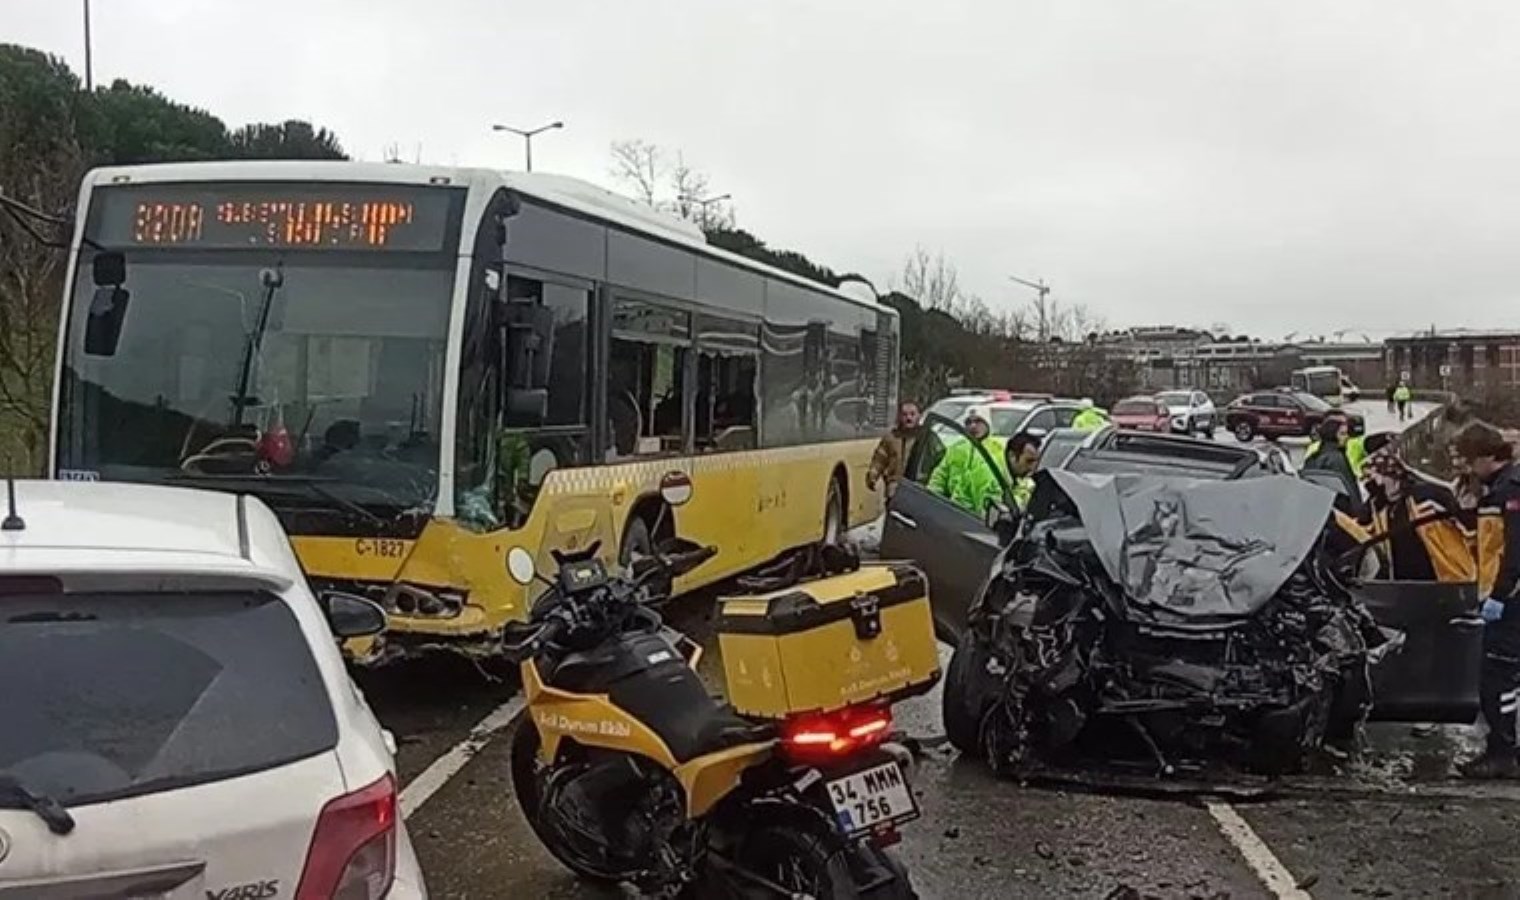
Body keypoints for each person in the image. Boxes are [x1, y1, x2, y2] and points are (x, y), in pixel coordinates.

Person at [1453, 422, 1520, 778]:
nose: (1467, 467)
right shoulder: (1499, 489)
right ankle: (1506, 748)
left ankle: (1503, 753)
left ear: (1487, 457)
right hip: (1506, 597)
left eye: (1469, 459)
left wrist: (1500, 595)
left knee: (1498, 679)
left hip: (1510, 600)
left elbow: (1513, 551)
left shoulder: (1509, 491)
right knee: (1505, 677)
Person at [1362, 452, 1475, 583]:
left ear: (1392, 475)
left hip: (1442, 579)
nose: (1373, 483)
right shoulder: (1380, 510)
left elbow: (1464, 525)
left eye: (1375, 476)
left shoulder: (1425, 497)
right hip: (1404, 584)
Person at [927, 406, 1008, 515]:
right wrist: (931, 500)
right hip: (956, 511)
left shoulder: (1000, 450)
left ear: (987, 424)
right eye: (968, 422)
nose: (973, 426)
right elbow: (939, 477)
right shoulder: (956, 448)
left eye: (978, 421)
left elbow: (1017, 485)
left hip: (987, 515)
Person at [866, 400, 922, 499]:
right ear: (899, 417)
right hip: (894, 487)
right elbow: (879, 459)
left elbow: (938, 460)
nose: (909, 418)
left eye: (912, 414)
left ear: (919, 416)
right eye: (905, 415)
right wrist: (872, 476)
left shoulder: (926, 438)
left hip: (917, 489)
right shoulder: (891, 438)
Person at [1302, 417, 1359, 494]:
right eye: (1342, 434)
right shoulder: (1336, 458)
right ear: (1332, 435)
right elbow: (1349, 488)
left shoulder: (1312, 457)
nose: (1347, 437)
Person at [1004, 431, 1043, 511]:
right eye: (1029, 461)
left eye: (1036, 462)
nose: (1032, 468)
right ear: (1012, 456)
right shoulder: (995, 479)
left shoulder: (1024, 483)